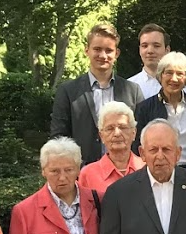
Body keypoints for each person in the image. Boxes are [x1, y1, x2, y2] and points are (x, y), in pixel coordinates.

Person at [50, 22, 143, 166]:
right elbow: (59, 138)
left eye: (108, 50)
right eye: (97, 49)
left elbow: (141, 134)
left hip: (125, 175)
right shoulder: (68, 91)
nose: (103, 55)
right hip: (83, 174)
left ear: (116, 53)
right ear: (87, 50)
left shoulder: (132, 91)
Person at [134, 52, 186, 170]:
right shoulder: (145, 108)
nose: (174, 79)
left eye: (180, 74)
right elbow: (137, 147)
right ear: (160, 75)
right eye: (168, 72)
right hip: (158, 171)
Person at [78, 102, 146, 196]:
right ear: (101, 136)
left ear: (134, 133)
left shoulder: (146, 168)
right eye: (110, 129)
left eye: (122, 127)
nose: (117, 133)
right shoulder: (88, 174)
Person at [128, 24, 186, 99]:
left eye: (156, 46)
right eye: (145, 46)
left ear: (167, 50)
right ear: (139, 50)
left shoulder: (182, 85)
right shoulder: (129, 86)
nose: (150, 51)